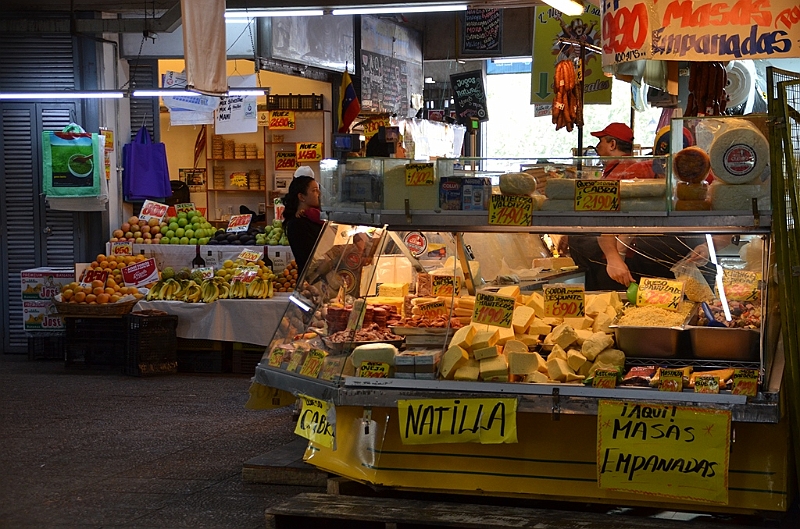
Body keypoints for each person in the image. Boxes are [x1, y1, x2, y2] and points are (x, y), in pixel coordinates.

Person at [282, 167, 323, 275]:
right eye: (314, 190)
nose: (318, 193)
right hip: (310, 283)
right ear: (301, 197)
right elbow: (310, 260)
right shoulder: (297, 224)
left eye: (318, 189)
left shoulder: (316, 216)